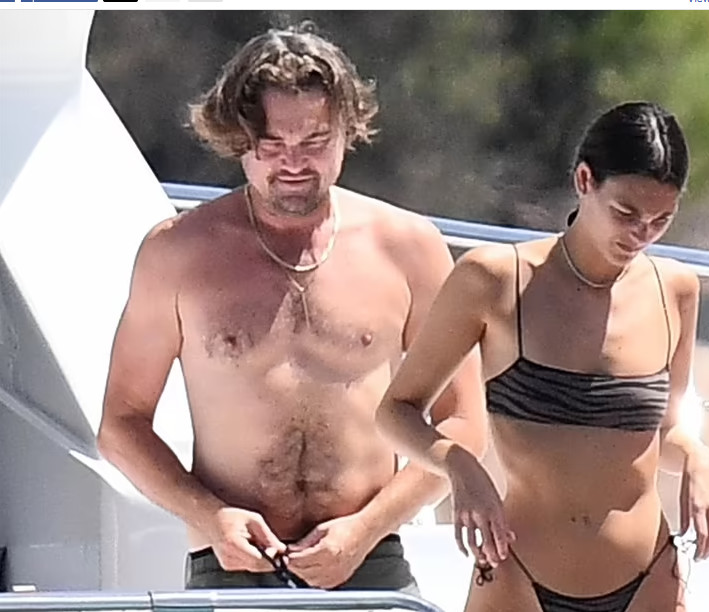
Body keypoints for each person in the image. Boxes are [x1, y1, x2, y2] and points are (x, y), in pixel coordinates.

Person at [96, 21, 485, 593]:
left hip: (371, 560)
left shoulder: (409, 247)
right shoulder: (176, 254)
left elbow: (465, 423)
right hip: (229, 564)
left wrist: (366, 529)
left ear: (348, 131)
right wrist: (211, 518)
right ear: (237, 139)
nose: (294, 163)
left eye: (315, 142)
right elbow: (121, 424)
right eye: (271, 145)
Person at [376, 101, 709, 611]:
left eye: (661, 220)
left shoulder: (675, 289)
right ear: (585, 180)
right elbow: (396, 411)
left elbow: (665, 434)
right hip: (518, 573)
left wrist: (700, 456)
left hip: (649, 575)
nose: (641, 234)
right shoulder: (494, 280)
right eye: (626, 213)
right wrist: (459, 466)